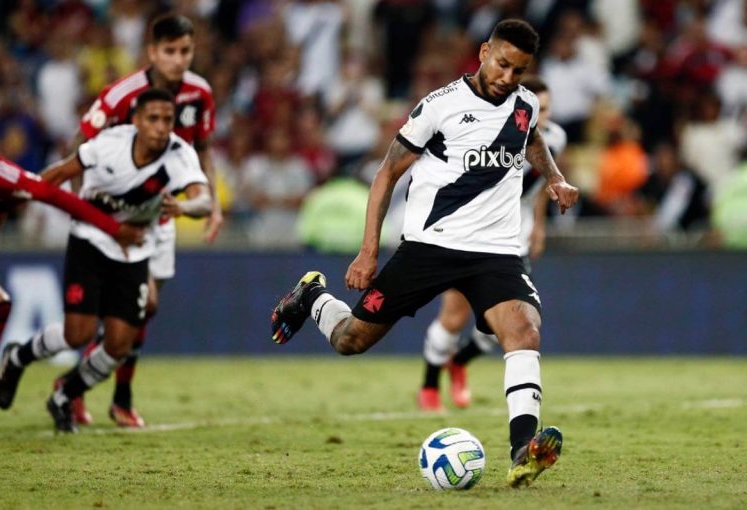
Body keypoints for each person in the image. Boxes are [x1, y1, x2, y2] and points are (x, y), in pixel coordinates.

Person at [269, 19, 578, 488]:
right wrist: (367, 252)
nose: (507, 77)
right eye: (502, 64)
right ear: (483, 53)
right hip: (430, 247)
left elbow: (532, 139)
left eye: (518, 70)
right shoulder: (440, 106)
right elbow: (387, 174)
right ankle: (311, 296)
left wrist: (554, 178)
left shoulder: (525, 104)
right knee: (351, 340)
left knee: (524, 331)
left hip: (494, 252)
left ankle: (523, 449)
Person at [0, 89, 212, 433]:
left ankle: (65, 393)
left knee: (119, 344)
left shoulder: (180, 155)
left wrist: (184, 206)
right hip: (90, 239)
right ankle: (18, 356)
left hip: (134, 248)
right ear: (136, 120)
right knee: (77, 334)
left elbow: (205, 201)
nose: (160, 127)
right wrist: (12, 200)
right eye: (153, 119)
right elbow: (60, 173)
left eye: (167, 120)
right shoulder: (110, 144)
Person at [72, 13, 221, 427]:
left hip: (163, 212)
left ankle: (110, 395)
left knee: (142, 311)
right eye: (170, 51)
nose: (178, 59)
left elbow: (204, 149)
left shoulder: (199, 94)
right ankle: (82, 389)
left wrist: (213, 205)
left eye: (185, 51)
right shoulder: (122, 95)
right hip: (119, 217)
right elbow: (81, 144)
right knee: (139, 303)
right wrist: (88, 211)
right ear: (152, 52)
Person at [0, 98, 145, 439]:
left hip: (119, 244)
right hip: (92, 249)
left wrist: (113, 228)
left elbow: (52, 194)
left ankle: (25, 363)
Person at [418, 76, 568, 412]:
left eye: (546, 109)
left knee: (504, 326)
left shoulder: (555, 138)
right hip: (472, 236)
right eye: (537, 108)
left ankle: (459, 362)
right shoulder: (494, 131)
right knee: (453, 318)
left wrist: (539, 226)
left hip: (514, 243)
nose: (542, 116)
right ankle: (429, 386)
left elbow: (542, 183)